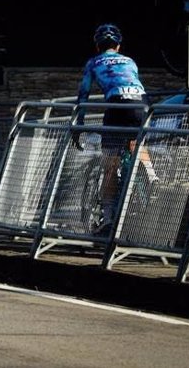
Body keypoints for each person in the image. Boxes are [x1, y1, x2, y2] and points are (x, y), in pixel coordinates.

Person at [76, 23, 158, 230]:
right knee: (136, 142)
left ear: (97, 46)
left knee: (110, 164)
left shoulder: (93, 62)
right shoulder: (130, 61)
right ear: (119, 46)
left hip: (117, 104)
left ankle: (109, 216)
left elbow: (83, 95)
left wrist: (79, 124)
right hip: (141, 102)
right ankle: (152, 175)